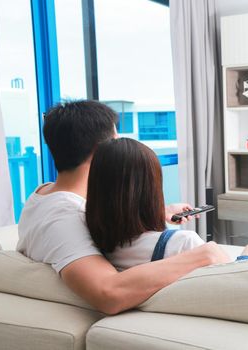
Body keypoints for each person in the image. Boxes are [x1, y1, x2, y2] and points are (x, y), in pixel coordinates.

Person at [17, 100, 231, 315]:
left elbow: (91, 211)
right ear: (103, 150)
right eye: (116, 139)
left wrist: (157, 211)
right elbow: (108, 294)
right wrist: (205, 255)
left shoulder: (44, 194)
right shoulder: (63, 218)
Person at [85, 138, 248, 270]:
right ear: (151, 190)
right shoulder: (183, 243)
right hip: (233, 280)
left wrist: (162, 212)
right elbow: (234, 279)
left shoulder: (94, 244)